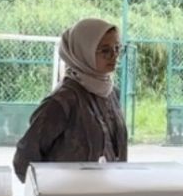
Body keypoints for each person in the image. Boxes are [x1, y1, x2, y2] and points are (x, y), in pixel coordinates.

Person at [12, 18, 129, 181]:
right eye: (105, 51)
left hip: (106, 195)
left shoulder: (111, 94)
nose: (114, 56)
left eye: (117, 49)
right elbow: (24, 160)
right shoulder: (63, 100)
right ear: (84, 51)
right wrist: (50, 195)